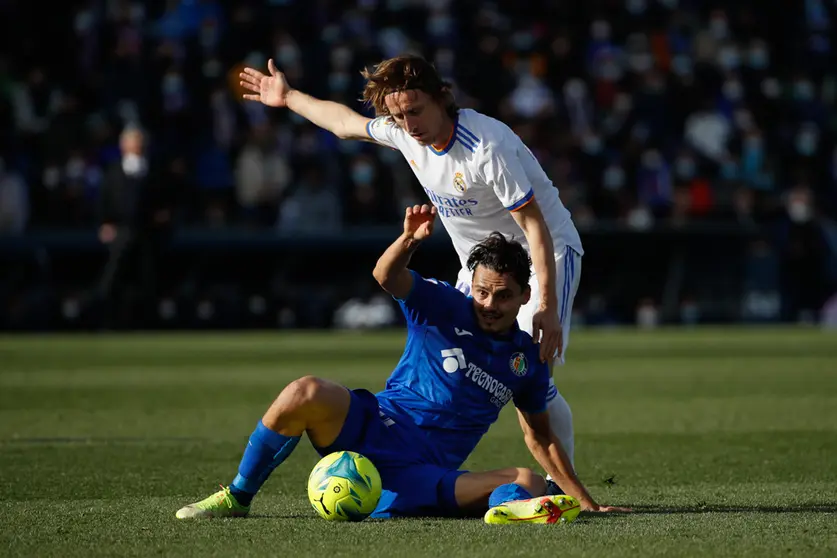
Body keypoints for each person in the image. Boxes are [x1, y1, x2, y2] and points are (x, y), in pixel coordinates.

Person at [239, 54, 583, 474]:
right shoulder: (406, 134)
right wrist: (288, 96)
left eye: (416, 111)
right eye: (399, 115)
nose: (409, 123)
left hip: (543, 253)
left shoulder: (486, 146)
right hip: (478, 267)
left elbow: (534, 225)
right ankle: (415, 455)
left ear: (443, 98)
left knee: (530, 368)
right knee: (450, 355)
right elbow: (344, 124)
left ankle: (558, 487)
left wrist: (545, 302)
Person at [176, 205, 627, 521]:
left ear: (525, 296)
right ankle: (238, 496)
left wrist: (584, 500)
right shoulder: (442, 304)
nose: (489, 303)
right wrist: (409, 239)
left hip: (424, 471)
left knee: (528, 480)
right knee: (304, 391)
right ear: (471, 284)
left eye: (503, 295)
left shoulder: (526, 360)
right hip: (374, 424)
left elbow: (541, 437)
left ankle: (512, 510)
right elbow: (385, 276)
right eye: (482, 291)